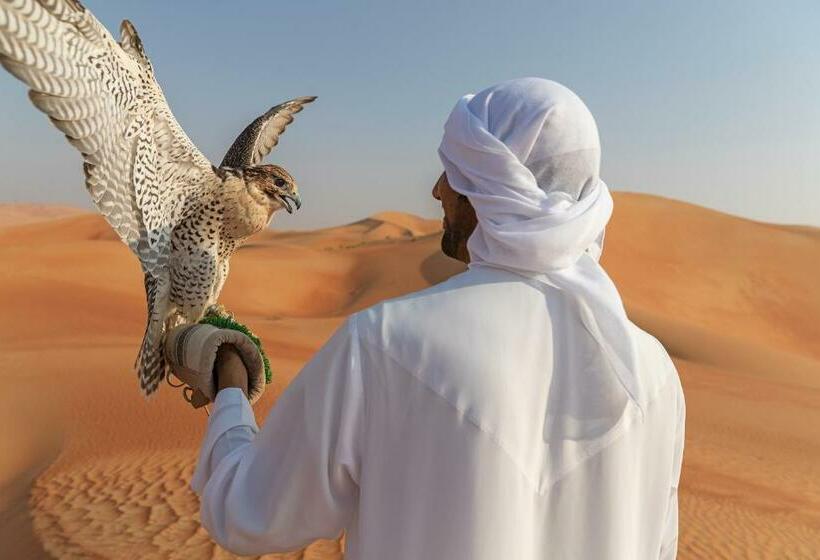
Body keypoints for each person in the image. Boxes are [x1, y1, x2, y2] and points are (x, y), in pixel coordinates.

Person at [182, 78, 686, 559]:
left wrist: (229, 387)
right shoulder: (655, 375)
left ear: (491, 185)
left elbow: (248, 512)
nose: (437, 191)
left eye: (453, 172)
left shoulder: (384, 344)